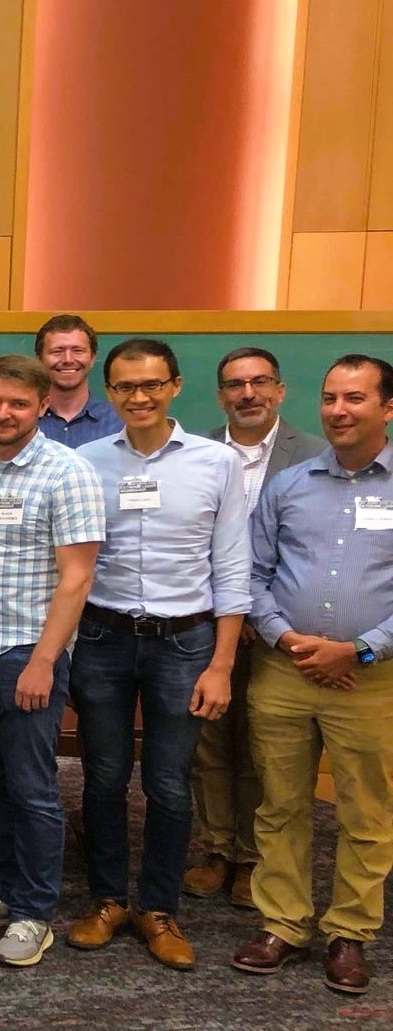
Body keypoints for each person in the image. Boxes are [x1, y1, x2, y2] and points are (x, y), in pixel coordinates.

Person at [68, 339, 248, 970]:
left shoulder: (216, 462)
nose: (138, 398)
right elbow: (71, 561)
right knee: (105, 777)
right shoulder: (85, 461)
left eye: (150, 385)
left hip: (187, 643)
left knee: (170, 783)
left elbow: (231, 565)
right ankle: (108, 900)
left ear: (174, 385)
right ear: (108, 391)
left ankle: (159, 908)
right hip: (103, 638)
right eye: (123, 387)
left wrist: (222, 663)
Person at [230, 354, 393, 995]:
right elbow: (252, 572)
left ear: (387, 407)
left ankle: (350, 931)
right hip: (284, 670)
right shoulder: (289, 484)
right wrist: (287, 637)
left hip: (370, 680)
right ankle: (283, 923)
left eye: (354, 398)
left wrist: (361, 650)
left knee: (365, 812)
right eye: (329, 398)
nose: (338, 411)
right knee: (281, 805)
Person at [0, 355, 106, 967]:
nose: (3, 413)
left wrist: (44, 659)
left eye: (17, 403)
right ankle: (8, 892)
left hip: (25, 654)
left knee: (34, 787)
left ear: (40, 407)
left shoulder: (69, 472)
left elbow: (77, 577)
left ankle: (35, 911)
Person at [187, 346, 324, 905]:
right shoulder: (192, 453)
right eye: (236, 385)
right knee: (210, 742)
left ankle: (253, 853)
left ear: (280, 390)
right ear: (220, 395)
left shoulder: (315, 457)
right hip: (204, 621)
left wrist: (259, 616)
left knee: (266, 748)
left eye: (260, 382)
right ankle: (218, 846)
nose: (248, 394)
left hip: (276, 627)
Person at [35, 314, 123, 448]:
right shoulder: (23, 420)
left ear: (92, 358)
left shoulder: (120, 422)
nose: (68, 360)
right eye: (57, 351)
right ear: (39, 359)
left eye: (78, 351)